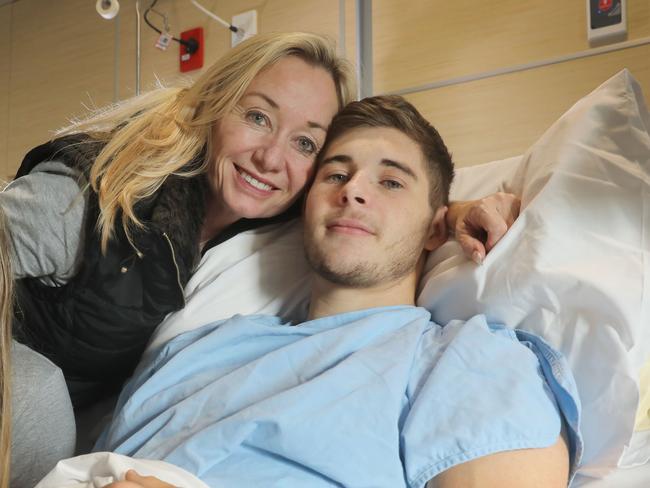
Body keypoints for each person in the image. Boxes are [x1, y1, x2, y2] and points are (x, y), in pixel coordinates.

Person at [78, 95, 581, 488]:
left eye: (391, 183)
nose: (353, 190)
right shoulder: (194, 349)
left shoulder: (470, 363)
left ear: (436, 229)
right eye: (336, 174)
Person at [2, 32, 513, 411]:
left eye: (305, 143)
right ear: (212, 107)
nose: (272, 159)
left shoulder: (281, 208)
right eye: (258, 117)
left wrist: (455, 214)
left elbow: (377, 202)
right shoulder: (90, 196)